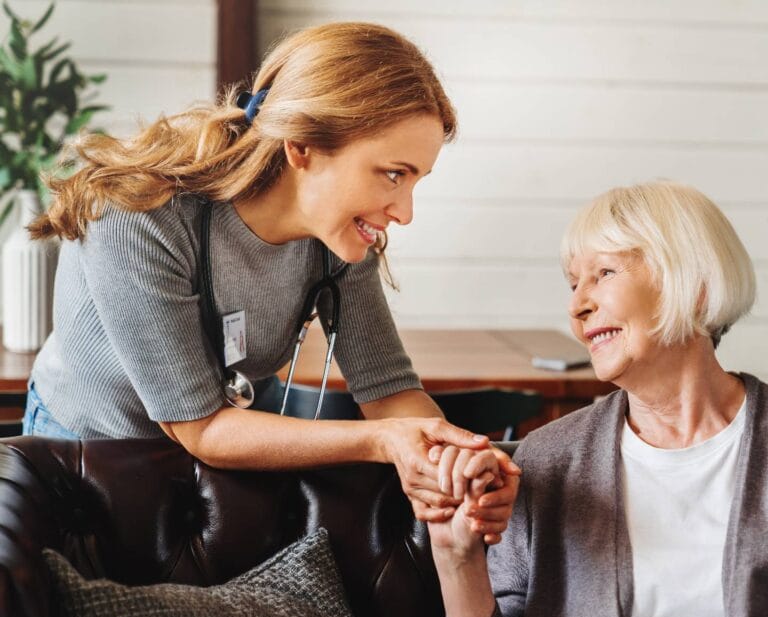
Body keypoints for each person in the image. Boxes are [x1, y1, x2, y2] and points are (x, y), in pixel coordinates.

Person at [23, 22, 518, 538]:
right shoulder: (138, 215)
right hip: (86, 456)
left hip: (221, 457)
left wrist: (459, 462)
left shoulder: (338, 238)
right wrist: (382, 441)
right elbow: (202, 427)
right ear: (302, 147)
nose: (406, 212)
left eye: (417, 180)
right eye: (393, 174)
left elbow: (390, 391)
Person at [425, 181, 768, 617]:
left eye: (604, 273)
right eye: (574, 284)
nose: (578, 306)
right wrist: (457, 558)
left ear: (694, 284)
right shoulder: (549, 457)